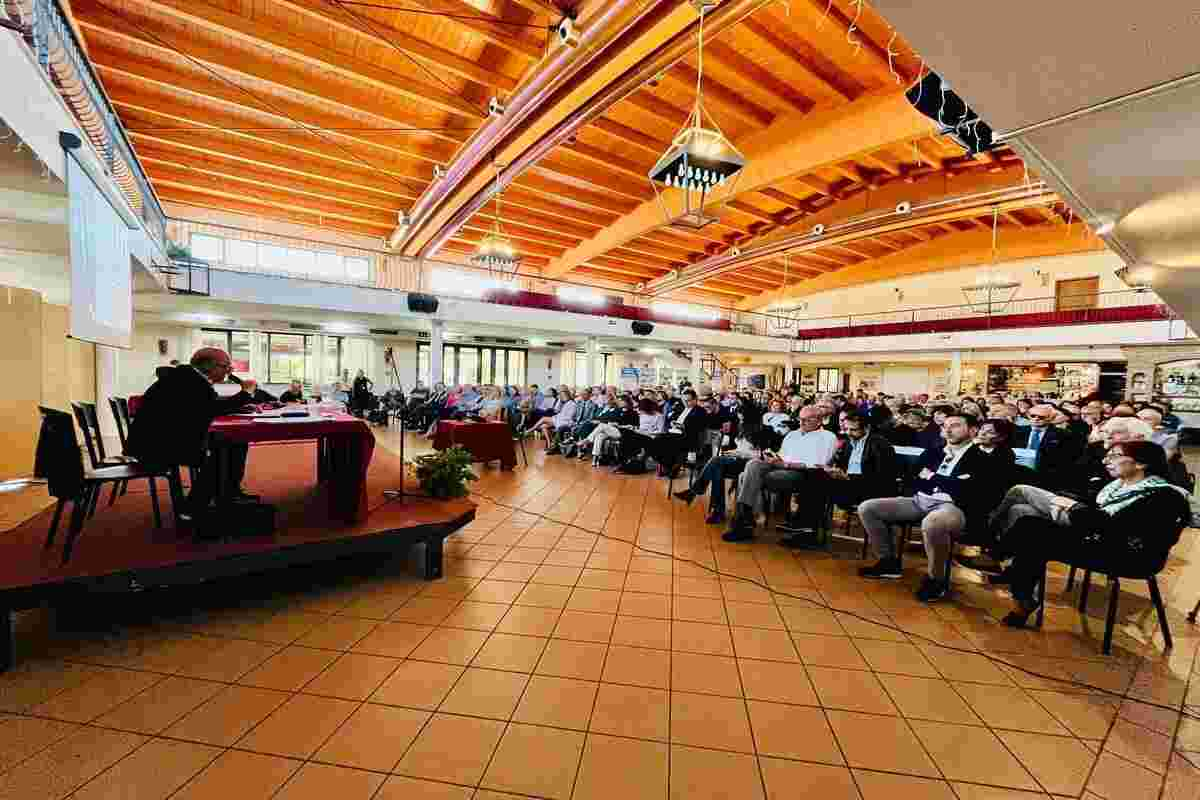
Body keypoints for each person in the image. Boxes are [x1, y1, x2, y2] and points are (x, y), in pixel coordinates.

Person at [998, 440, 1191, 628]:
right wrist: (1075, 507)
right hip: (1098, 540)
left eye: (1115, 456)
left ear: (1140, 464)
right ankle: (1016, 586)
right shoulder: (1115, 486)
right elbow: (1096, 516)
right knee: (1027, 517)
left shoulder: (1164, 496)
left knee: (1032, 531)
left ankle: (1007, 572)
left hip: (1127, 556)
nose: (1107, 461)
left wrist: (1075, 508)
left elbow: (1112, 528)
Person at [857, 413, 1003, 602]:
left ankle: (936, 579)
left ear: (973, 430)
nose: (948, 430)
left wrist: (933, 477)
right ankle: (888, 562)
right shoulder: (933, 451)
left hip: (952, 506)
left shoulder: (982, 459)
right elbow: (912, 477)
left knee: (933, 523)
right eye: (945, 426)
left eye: (955, 425)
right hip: (920, 500)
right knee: (868, 508)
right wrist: (946, 482)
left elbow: (969, 492)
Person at [127, 348, 255, 520]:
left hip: (154, 442)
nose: (228, 372)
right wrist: (245, 393)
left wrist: (239, 401)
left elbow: (206, 405)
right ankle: (193, 508)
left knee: (233, 442)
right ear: (212, 367)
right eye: (226, 367)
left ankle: (228, 494)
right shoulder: (192, 382)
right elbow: (213, 408)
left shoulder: (186, 377)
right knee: (223, 449)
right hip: (156, 449)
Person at [722, 405, 839, 543]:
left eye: (806, 420)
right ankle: (744, 521)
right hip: (781, 466)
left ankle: (743, 523)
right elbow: (782, 455)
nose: (801, 423)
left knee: (745, 476)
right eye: (800, 419)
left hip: (804, 474)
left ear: (819, 421)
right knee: (753, 464)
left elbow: (818, 465)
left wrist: (786, 464)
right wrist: (773, 458)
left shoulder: (827, 437)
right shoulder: (793, 434)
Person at [1012, 403, 1085, 489]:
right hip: (1017, 473)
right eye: (1033, 416)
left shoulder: (1064, 435)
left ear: (1050, 418)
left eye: (1041, 417)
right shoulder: (1016, 432)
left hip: (1046, 477)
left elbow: (1067, 460)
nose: (1036, 419)